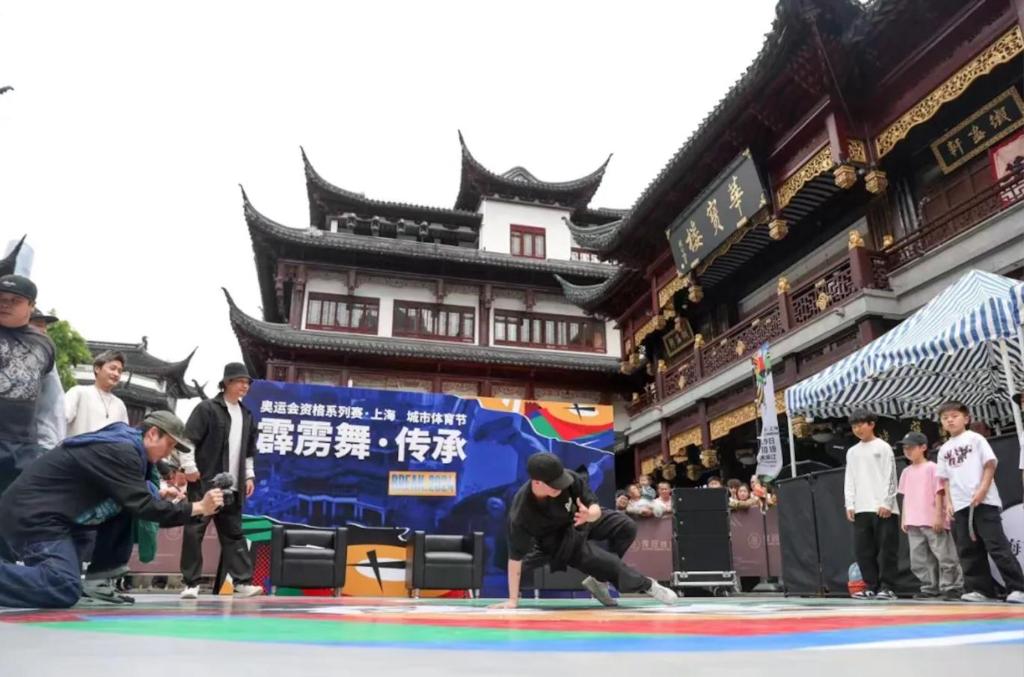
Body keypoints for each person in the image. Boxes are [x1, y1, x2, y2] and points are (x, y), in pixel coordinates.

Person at [0, 411, 225, 608]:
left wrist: (157, 494)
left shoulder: (125, 446)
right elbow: (143, 506)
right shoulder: (122, 451)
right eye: (170, 444)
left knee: (133, 499)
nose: (169, 454)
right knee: (63, 585)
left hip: (54, 516)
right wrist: (198, 507)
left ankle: (97, 581)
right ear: (152, 434)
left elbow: (133, 496)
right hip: (33, 517)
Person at [493, 452, 678, 609]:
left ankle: (599, 580)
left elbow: (593, 505)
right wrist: (512, 600)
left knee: (626, 526)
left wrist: (589, 515)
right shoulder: (522, 512)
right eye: (555, 483)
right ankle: (647, 585)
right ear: (537, 483)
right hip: (560, 541)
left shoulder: (569, 478)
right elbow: (514, 559)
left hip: (582, 517)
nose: (561, 486)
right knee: (606, 562)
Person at [178, 362, 262, 599]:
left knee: (234, 534)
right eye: (240, 381)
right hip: (204, 482)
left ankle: (242, 582)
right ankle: (191, 583)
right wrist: (190, 467)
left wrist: (249, 475)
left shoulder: (246, 414)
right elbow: (187, 440)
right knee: (194, 531)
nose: (245, 386)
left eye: (247, 382)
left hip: (232, 486)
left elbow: (248, 451)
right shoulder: (206, 408)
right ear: (227, 382)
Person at [935, 401, 1024, 603]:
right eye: (945, 418)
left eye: (954, 416)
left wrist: (983, 489)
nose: (950, 420)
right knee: (968, 550)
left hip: (984, 502)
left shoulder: (975, 439)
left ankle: (1018, 588)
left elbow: (990, 464)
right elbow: (945, 479)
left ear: (966, 418)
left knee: (996, 545)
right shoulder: (943, 449)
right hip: (959, 505)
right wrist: (949, 503)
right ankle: (980, 590)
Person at [0, 274, 62, 497]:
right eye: (1, 298)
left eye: (15, 300)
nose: (5, 304)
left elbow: (50, 402)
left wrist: (49, 446)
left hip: (22, 448)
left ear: (31, 305)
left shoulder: (44, 345)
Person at [897, 431, 964, 600]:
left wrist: (939, 516)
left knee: (944, 554)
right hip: (913, 520)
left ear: (923, 447)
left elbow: (939, 492)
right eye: (905, 448)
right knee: (919, 558)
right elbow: (905, 497)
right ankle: (929, 586)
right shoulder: (906, 471)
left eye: (911, 447)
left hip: (931, 518)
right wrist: (904, 518)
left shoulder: (932, 468)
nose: (907, 451)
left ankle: (952, 586)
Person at [843, 409, 899, 600]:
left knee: (886, 550)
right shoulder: (852, 452)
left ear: (871, 424)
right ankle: (870, 585)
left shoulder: (883, 447)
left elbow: (890, 476)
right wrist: (850, 504)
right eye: (854, 426)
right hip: (861, 507)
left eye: (861, 425)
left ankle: (887, 587)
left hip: (883, 507)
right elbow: (849, 478)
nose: (858, 429)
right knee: (864, 550)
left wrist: (887, 502)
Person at [65, 351, 130, 437]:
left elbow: (123, 436)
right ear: (97, 369)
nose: (116, 374)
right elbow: (60, 418)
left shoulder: (120, 405)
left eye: (119, 371)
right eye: (112, 368)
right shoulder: (78, 392)